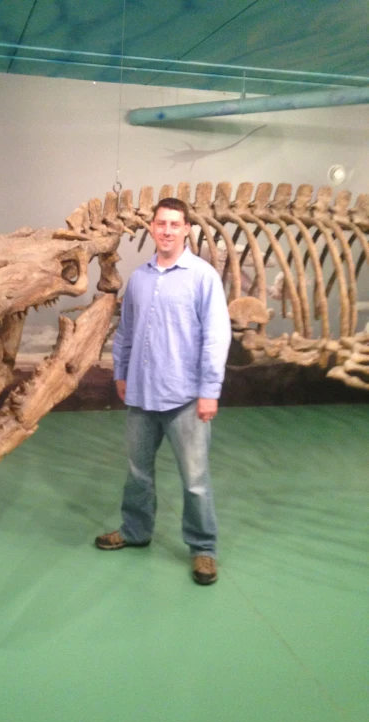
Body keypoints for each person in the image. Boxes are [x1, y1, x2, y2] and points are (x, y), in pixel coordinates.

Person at [95, 197, 231, 585]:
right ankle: (135, 531)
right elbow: (126, 333)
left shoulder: (203, 277)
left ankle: (203, 549)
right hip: (141, 396)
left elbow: (216, 337)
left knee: (195, 480)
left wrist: (209, 390)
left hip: (185, 398)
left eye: (175, 224)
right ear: (152, 229)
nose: (167, 230)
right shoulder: (139, 278)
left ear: (186, 229)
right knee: (138, 472)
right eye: (161, 223)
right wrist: (121, 373)